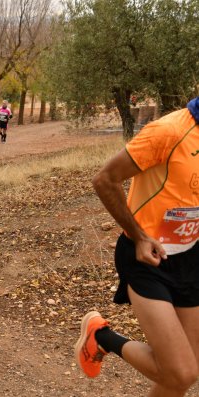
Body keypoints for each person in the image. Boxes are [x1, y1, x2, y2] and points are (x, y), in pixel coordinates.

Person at [75, 97, 199, 396]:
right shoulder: (168, 131)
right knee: (180, 372)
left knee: (184, 373)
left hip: (191, 258)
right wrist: (140, 236)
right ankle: (101, 336)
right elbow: (105, 179)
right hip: (146, 258)